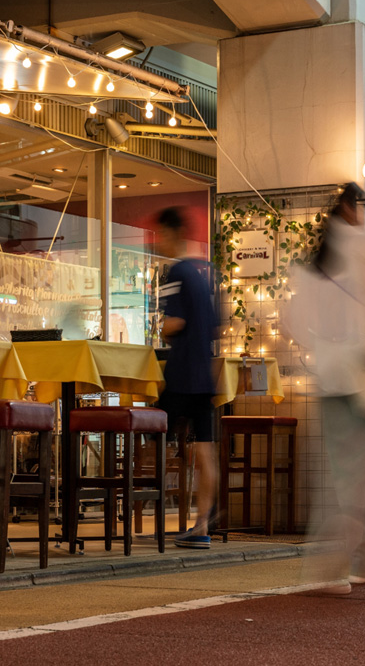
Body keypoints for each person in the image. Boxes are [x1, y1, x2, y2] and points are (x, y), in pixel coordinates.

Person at [284, 183, 365, 593]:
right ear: (352, 207)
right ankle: (362, 554)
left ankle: (353, 556)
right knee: (355, 477)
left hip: (332, 380)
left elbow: (293, 322)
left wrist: (325, 345)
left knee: (347, 477)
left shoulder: (313, 267)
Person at [155, 207, 217, 549]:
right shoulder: (201, 275)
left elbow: (173, 324)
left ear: (171, 233)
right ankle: (202, 524)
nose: (157, 241)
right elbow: (215, 325)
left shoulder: (177, 272)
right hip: (204, 376)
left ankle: (139, 504)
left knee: (150, 438)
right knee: (205, 452)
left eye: (160, 234)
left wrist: (164, 330)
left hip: (180, 375)